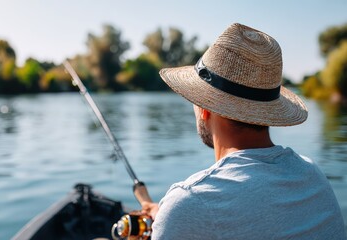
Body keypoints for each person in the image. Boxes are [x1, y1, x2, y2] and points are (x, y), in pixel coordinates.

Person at [141, 23, 346, 239]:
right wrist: (166, 214)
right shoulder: (313, 176)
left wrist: (173, 216)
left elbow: (199, 211)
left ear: (204, 108)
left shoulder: (191, 200)